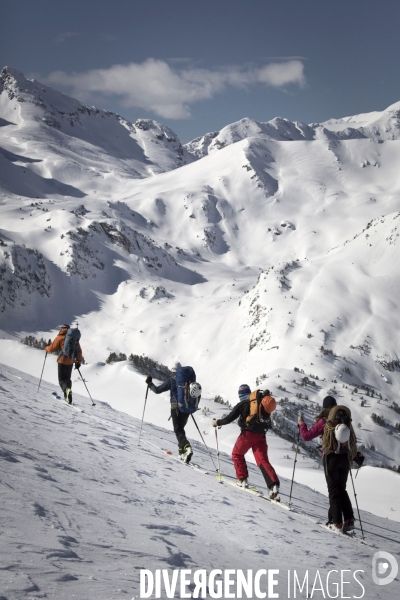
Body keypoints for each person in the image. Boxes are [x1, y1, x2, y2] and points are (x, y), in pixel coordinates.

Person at [298, 396, 363, 533]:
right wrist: (356, 456)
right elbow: (351, 441)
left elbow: (306, 436)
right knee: (341, 489)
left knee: (333, 491)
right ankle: (349, 520)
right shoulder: (345, 420)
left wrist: (301, 425)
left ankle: (336, 523)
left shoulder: (324, 422)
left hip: (331, 458)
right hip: (345, 459)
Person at [212, 384, 280, 499]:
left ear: (240, 395)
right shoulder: (259, 404)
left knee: (237, 454)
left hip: (248, 435)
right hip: (261, 435)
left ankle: (242, 479)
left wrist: (217, 423)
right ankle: (273, 485)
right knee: (262, 460)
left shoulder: (243, 404)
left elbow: (229, 418)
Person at [145, 362, 193, 464]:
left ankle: (186, 446)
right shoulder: (187, 381)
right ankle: (182, 452)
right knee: (180, 429)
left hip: (175, 407)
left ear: (173, 371)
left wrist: (150, 384)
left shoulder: (171, 380)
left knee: (177, 429)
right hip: (186, 409)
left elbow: (157, 390)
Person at [45, 324, 82, 404]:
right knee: (67, 379)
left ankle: (66, 390)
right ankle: (68, 394)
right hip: (71, 362)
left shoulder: (60, 337)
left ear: (62, 329)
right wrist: (78, 362)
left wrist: (46, 347)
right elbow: (79, 351)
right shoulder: (73, 338)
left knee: (62, 380)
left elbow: (52, 348)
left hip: (62, 361)